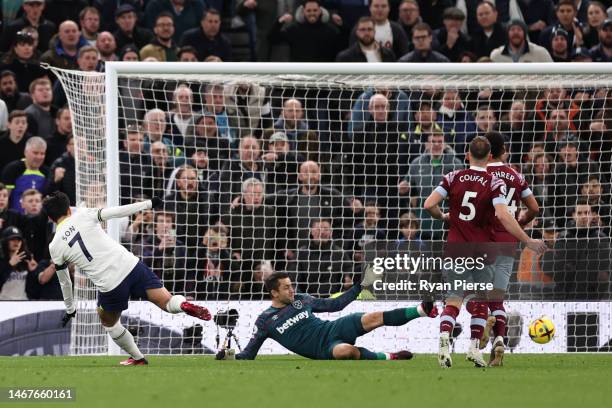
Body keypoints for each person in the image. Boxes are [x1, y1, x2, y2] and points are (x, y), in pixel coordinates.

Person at [42, 191, 212, 365]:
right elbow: (117, 211)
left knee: (109, 323)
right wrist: (148, 204)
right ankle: (183, 304)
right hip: (131, 265)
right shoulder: (84, 215)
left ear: (50, 217)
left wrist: (70, 309)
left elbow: (65, 282)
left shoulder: (54, 247)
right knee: (168, 303)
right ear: (69, 209)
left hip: (110, 284)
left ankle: (138, 357)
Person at [423, 136, 546, 368]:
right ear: (490, 155)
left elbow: (429, 204)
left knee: (454, 298)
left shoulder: (452, 176)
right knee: (487, 299)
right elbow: (505, 214)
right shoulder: (495, 182)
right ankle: (478, 347)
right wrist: (527, 238)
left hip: (456, 247)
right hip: (486, 249)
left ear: (467, 155)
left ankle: (443, 341)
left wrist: (443, 216)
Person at [216, 270, 438, 360]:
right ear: (274, 293)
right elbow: (248, 354)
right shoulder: (265, 321)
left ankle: (422, 310)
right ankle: (390, 357)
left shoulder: (301, 299)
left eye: (291, 286)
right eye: (286, 288)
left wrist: (358, 287)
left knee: (372, 317)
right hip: (323, 349)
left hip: (334, 328)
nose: (291, 290)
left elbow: (335, 305)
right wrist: (228, 356)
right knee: (347, 351)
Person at [482, 131, 540, 366]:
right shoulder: (515, 175)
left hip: (482, 240)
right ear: (503, 150)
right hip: (508, 242)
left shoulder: (480, 174)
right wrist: (520, 224)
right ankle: (499, 341)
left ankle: (484, 329)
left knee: (476, 294)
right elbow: (534, 207)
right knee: (498, 295)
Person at [269, 0, 341, 62]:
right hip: (298, 73)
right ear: (303, 12)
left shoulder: (331, 31)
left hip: (324, 73)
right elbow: (273, 39)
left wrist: (342, 26)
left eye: (315, 10)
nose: (312, 13)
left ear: (320, 11)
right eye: (308, 11)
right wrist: (279, 22)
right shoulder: (294, 30)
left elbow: (341, 46)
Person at [1, 136, 48, 212]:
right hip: (15, 220)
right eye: (35, 153)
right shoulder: (12, 169)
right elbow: (4, 198)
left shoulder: (47, 172)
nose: (39, 157)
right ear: (25, 152)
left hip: (38, 221)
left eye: (42, 154)